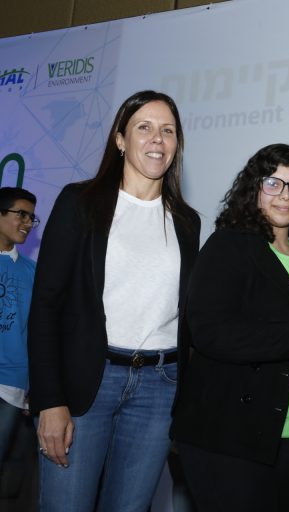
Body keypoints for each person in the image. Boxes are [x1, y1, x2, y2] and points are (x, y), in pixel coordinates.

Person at [28, 91, 201, 512]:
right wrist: (49, 400)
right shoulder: (80, 202)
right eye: (144, 127)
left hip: (160, 388)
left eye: (168, 131)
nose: (157, 139)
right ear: (120, 140)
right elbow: (46, 305)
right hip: (86, 382)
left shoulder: (187, 221)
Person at [171, 143, 289, 512]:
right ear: (254, 188)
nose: (285, 195)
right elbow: (209, 331)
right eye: (273, 183)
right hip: (232, 438)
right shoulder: (228, 245)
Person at [0, 187, 38, 466]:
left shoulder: (33, 272)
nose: (27, 223)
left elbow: (37, 334)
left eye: (31, 218)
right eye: (21, 214)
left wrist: (35, 384)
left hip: (10, 384)